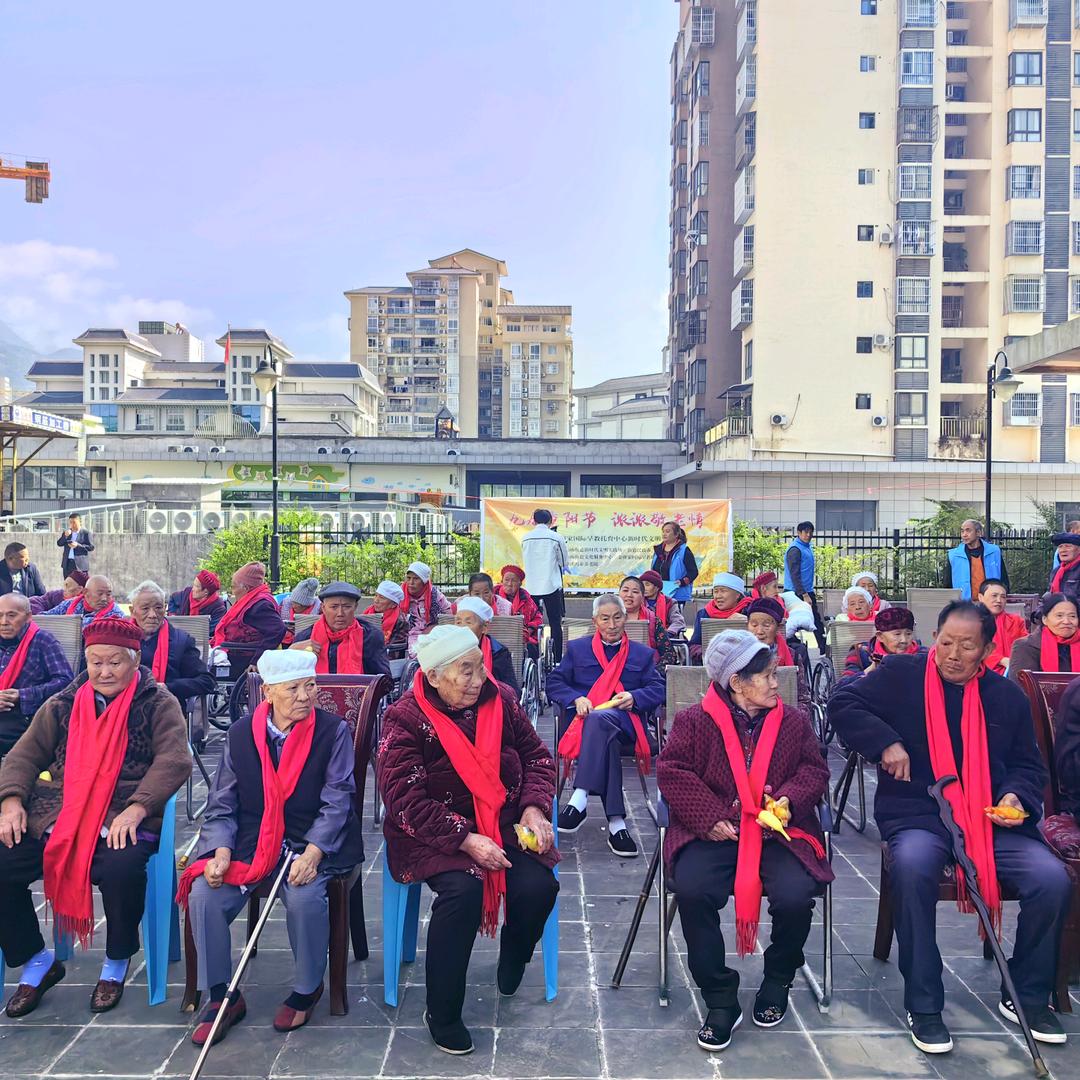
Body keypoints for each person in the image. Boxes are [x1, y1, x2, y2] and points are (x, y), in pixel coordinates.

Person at [829, 601, 1070, 1053]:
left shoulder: (1005, 696)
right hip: (918, 812)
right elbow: (841, 701)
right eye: (945, 642)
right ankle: (924, 1004)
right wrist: (886, 742)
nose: (953, 654)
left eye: (966, 646)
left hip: (990, 820)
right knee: (913, 868)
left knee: (1051, 879)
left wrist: (1015, 797)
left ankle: (1027, 995)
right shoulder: (901, 675)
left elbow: (1026, 766)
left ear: (987, 649)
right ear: (933, 638)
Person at [380, 624, 559, 1055]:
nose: (480, 680)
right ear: (435, 676)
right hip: (434, 833)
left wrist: (534, 806)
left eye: (480, 667)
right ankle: (442, 1012)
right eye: (467, 672)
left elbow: (537, 757)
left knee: (539, 886)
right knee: (464, 891)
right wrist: (465, 838)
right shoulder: (405, 718)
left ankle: (514, 957)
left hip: (505, 823)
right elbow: (403, 798)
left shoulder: (502, 701)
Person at [0, 617, 190, 1018]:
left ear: (135, 660)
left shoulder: (158, 703)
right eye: (95, 661)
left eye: (114, 662)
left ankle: (116, 962)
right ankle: (37, 960)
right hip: (60, 814)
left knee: (122, 869)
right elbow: (23, 755)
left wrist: (139, 807)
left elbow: (174, 760)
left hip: (123, 813)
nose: (103, 671)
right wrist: (12, 800)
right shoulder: (63, 704)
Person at [657, 631, 832, 1050]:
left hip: (778, 834)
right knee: (694, 890)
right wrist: (709, 817)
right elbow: (672, 772)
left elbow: (815, 769)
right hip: (717, 833)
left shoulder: (792, 721)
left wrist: (789, 799)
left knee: (795, 895)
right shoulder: (694, 722)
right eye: (768, 676)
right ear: (736, 682)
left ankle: (778, 978)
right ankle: (720, 999)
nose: (776, 683)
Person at [179, 648, 364, 1043]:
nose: (304, 696)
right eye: (293, 688)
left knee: (303, 896)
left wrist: (314, 852)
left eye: (310, 686)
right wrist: (219, 850)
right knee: (203, 893)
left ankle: (307, 987)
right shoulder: (241, 733)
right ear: (268, 693)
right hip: (252, 839)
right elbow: (223, 801)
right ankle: (221, 996)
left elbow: (338, 800)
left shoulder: (332, 731)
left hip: (312, 838)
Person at [549, 593, 665, 858]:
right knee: (604, 734)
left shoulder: (642, 654)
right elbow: (555, 683)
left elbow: (658, 688)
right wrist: (576, 698)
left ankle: (579, 796)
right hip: (588, 726)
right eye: (605, 619)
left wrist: (635, 697)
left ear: (625, 618)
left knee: (601, 720)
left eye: (617, 618)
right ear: (595, 621)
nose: (612, 625)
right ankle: (617, 824)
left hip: (627, 722)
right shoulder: (578, 649)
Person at [0, 595, 74, 761]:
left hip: (23, 716)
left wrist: (22, 695)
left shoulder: (43, 641)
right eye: (0, 615)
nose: (4, 621)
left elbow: (66, 682)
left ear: (28, 616)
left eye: (12, 615)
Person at [130, 581, 215, 705]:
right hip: (126, 709)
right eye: (145, 608)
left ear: (165, 609)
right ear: (132, 611)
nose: (153, 615)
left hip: (166, 710)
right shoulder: (120, 639)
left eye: (158, 608)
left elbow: (206, 682)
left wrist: (168, 688)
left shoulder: (181, 641)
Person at [291, 581, 391, 677]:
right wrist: (291, 652)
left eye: (347, 607)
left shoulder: (370, 637)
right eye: (334, 607)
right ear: (323, 607)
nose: (340, 613)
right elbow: (287, 680)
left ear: (355, 607)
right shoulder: (305, 638)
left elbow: (383, 680)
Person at [211, 563, 286, 679]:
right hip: (235, 653)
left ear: (245, 588)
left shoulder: (260, 605)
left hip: (241, 659)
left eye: (233, 586)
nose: (232, 591)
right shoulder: (251, 600)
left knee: (200, 672)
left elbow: (278, 629)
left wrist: (257, 660)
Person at [521, 508, 570, 664]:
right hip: (551, 585)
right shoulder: (556, 537)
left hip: (531, 586)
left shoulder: (526, 538)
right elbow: (563, 562)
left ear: (534, 521)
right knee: (555, 622)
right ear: (551, 521)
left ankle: (533, 656)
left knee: (533, 622)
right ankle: (556, 659)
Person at [744, 596, 810, 710]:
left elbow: (802, 698)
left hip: (785, 714)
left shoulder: (792, 656)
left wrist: (796, 719)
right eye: (754, 625)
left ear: (778, 628)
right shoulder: (737, 655)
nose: (759, 631)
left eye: (766, 625)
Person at [453, 596, 519, 693]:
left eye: (468, 622)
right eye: (458, 622)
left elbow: (512, 691)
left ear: (484, 627)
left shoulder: (498, 653)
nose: (462, 627)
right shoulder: (447, 649)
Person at [839, 606, 922, 683]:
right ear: (880, 636)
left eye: (908, 634)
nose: (904, 640)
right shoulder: (861, 653)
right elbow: (841, 686)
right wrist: (870, 670)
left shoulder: (922, 655)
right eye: (897, 634)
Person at [1008, 593, 1080, 680]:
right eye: (1059, 616)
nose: (1066, 621)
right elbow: (1021, 686)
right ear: (1045, 619)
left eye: (1072, 616)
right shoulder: (1025, 646)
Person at [689, 573, 751, 662]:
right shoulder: (704, 614)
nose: (718, 596)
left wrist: (748, 622)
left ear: (737, 594)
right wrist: (710, 654)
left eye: (723, 591)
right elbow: (694, 645)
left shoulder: (750, 611)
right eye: (716, 591)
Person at [784, 522, 827, 652]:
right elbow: (794, 574)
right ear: (799, 532)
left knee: (815, 621)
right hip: (796, 592)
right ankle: (820, 648)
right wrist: (804, 594)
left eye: (810, 532)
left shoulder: (806, 547)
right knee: (796, 623)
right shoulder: (795, 549)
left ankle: (823, 648)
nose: (808, 535)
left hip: (805, 590)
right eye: (805, 532)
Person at [944, 519, 1008, 599]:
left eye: (968, 531)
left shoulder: (994, 552)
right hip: (964, 605)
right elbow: (947, 585)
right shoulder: (954, 555)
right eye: (962, 531)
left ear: (978, 533)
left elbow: (1004, 579)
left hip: (990, 603)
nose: (964, 535)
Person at [619, 575, 672, 669]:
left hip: (646, 672)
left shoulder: (653, 621)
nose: (629, 595)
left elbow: (668, 655)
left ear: (642, 596)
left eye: (635, 592)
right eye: (625, 590)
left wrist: (652, 673)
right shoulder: (607, 619)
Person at [976, 579, 1027, 676]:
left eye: (1003, 597)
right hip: (980, 672)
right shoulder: (971, 622)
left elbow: (1025, 647)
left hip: (1013, 671)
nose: (999, 600)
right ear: (980, 597)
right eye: (994, 596)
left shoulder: (1016, 621)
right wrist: (1000, 660)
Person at [399, 561, 451, 653]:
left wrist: (434, 627)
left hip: (432, 634)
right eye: (409, 578)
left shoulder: (435, 596)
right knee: (416, 653)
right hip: (408, 635)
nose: (411, 582)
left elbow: (449, 615)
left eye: (416, 579)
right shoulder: (399, 595)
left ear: (424, 581)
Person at [495, 564, 544, 660]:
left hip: (522, 636)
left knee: (530, 649)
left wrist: (529, 630)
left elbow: (538, 617)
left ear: (520, 583)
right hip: (497, 635)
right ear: (502, 581)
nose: (509, 584)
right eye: (507, 580)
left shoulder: (526, 598)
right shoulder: (493, 596)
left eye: (513, 580)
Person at [43, 574, 123, 626]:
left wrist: (62, 623)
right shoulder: (71, 604)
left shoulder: (115, 613)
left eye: (108, 594)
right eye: (100, 594)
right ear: (85, 592)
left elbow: (91, 627)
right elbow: (44, 618)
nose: (104, 599)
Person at [651, 520, 699, 605]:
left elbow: (693, 572)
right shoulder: (657, 551)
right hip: (659, 593)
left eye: (668, 531)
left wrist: (682, 582)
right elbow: (653, 571)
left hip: (677, 594)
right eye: (663, 531)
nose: (664, 534)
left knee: (674, 617)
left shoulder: (684, 551)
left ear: (676, 534)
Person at [169, 570, 228, 637]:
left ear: (206, 592)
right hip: (180, 636)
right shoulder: (187, 593)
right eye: (193, 585)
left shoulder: (218, 608)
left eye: (196, 586)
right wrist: (173, 616)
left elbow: (209, 631)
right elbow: (173, 598)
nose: (192, 589)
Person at [364, 581, 410, 657]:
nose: (376, 600)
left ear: (393, 604)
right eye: (376, 595)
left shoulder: (400, 622)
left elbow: (394, 651)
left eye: (381, 598)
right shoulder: (368, 612)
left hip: (384, 659)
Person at [640, 569, 686, 636]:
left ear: (657, 587)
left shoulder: (670, 602)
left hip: (663, 639)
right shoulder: (636, 602)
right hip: (641, 638)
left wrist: (668, 634)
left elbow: (678, 621)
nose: (644, 588)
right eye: (641, 585)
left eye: (647, 585)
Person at [1048, 531, 1080, 603]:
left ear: (1078, 550)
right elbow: (1049, 598)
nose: (1063, 550)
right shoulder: (1056, 571)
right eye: (1060, 547)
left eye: (1068, 546)